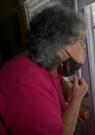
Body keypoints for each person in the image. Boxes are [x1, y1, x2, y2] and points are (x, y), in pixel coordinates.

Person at [0, 5, 88, 135]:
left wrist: (67, 90)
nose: (84, 47)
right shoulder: (28, 85)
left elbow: (55, 79)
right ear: (58, 46)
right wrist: (76, 99)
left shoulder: (41, 63)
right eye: (79, 41)